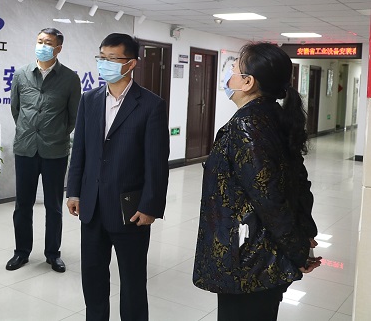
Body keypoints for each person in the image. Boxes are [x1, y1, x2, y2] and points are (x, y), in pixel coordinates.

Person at [193, 42, 321, 321]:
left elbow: (270, 199)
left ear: (248, 82)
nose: (229, 75)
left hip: (250, 261)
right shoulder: (270, 115)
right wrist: (303, 233)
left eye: (234, 69)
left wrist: (298, 249)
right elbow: (297, 183)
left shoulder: (247, 125)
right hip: (262, 258)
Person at [66, 33, 170, 321]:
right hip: (92, 206)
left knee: (133, 281)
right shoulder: (89, 100)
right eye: (102, 58)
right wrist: (73, 191)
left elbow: (157, 163)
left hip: (130, 209)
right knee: (93, 278)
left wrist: (150, 207)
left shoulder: (150, 105)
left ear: (131, 63)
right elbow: (80, 150)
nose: (105, 64)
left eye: (112, 59)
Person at [6, 28, 81, 273]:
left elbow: (73, 117)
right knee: (23, 205)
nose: (42, 46)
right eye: (39, 41)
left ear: (58, 48)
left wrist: (54, 133)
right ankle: (21, 252)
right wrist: (30, 131)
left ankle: (53, 254)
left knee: (54, 206)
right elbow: (16, 109)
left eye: (48, 43)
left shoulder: (70, 78)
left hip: (55, 151)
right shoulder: (21, 74)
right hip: (26, 148)